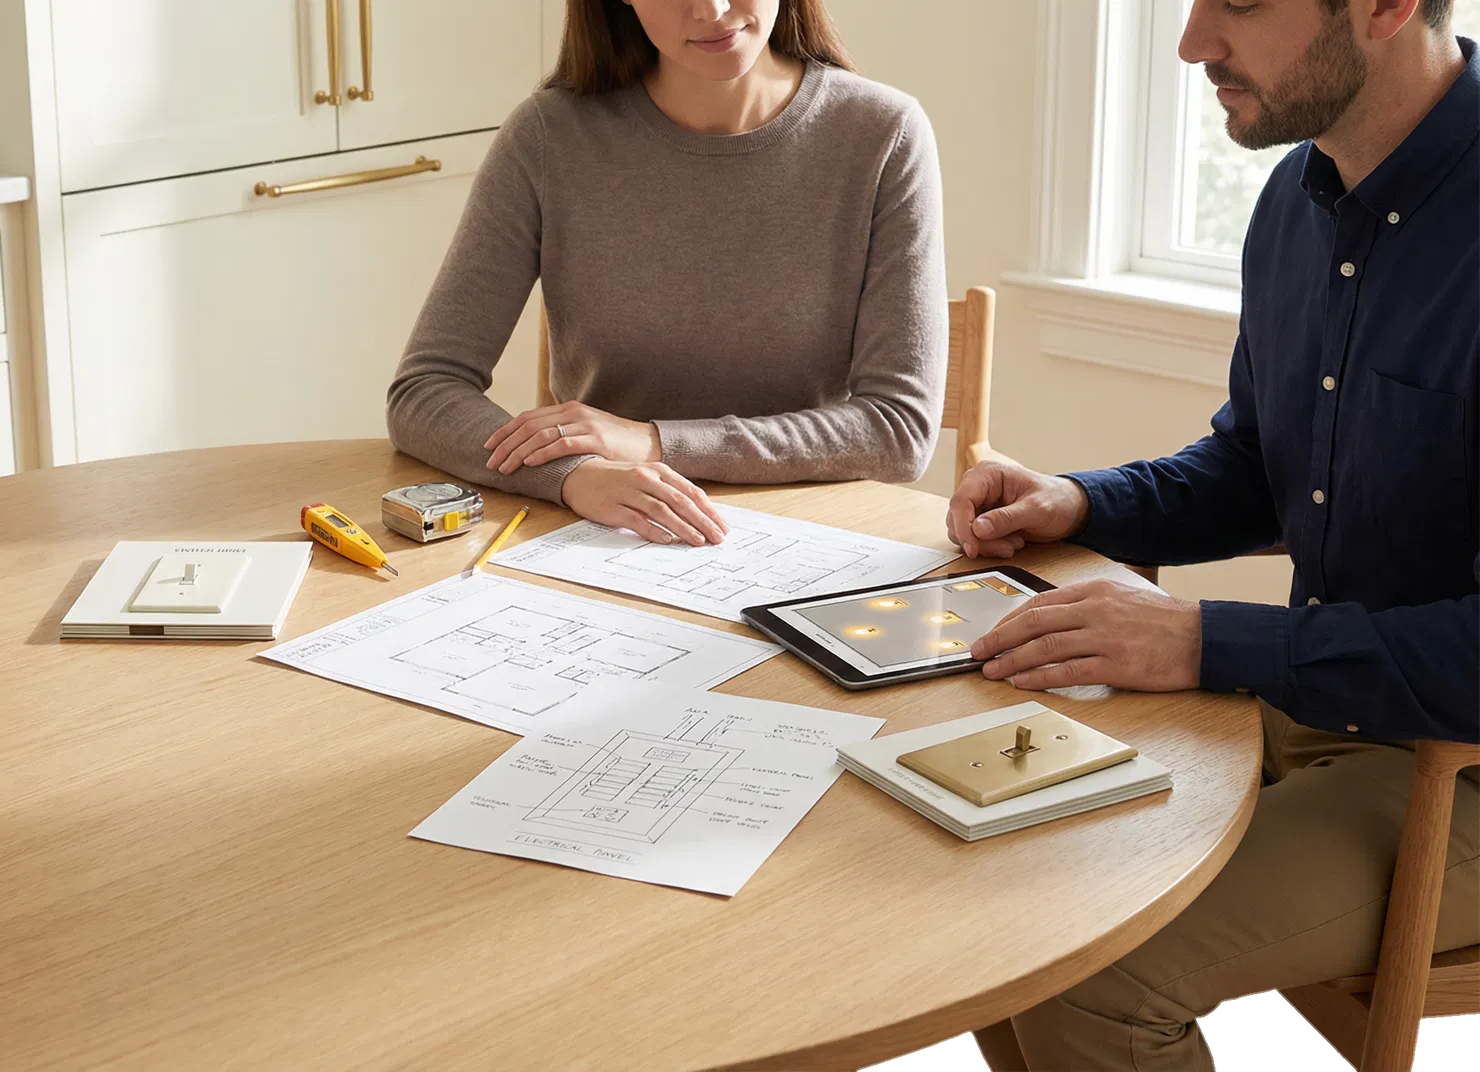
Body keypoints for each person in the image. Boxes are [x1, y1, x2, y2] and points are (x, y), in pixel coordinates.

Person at [948, 1, 1478, 1068]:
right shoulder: (1297, 194)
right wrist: (1083, 501)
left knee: (1093, 967)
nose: (1191, 43)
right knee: (988, 896)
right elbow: (1265, 465)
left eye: (1238, 2)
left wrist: (1202, 640)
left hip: (1457, 766)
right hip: (1326, 698)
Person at [386, 0, 948, 549]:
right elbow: (425, 391)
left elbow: (897, 431)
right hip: (608, 536)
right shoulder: (549, 136)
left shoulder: (882, 134)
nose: (711, 10)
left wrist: (654, 442)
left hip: (816, 536)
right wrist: (573, 476)